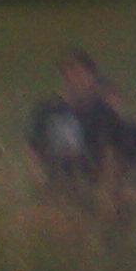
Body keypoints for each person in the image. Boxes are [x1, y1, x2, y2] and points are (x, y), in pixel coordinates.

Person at [25, 50, 121, 210]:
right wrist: (38, 177)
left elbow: (111, 154)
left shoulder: (104, 112)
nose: (73, 77)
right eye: (67, 71)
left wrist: (107, 190)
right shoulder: (48, 109)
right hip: (56, 186)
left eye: (78, 71)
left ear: (91, 76)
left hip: (92, 186)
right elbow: (32, 148)